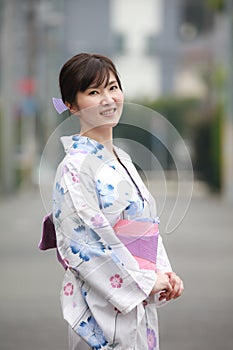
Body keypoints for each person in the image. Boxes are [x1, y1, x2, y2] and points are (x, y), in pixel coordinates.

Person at [50, 53, 184, 350]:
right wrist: (145, 282)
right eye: (93, 92)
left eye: (112, 87)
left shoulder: (121, 159)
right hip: (100, 306)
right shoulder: (74, 167)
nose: (108, 99)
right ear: (72, 105)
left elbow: (145, 226)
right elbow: (83, 242)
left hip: (137, 302)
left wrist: (163, 272)